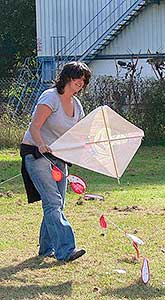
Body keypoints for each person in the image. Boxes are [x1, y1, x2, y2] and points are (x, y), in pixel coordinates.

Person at [20, 61, 92, 262]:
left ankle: (46, 249)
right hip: (37, 153)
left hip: (60, 157)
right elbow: (35, 126)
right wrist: (42, 144)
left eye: (84, 81)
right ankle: (66, 250)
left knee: (56, 205)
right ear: (67, 77)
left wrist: (88, 144)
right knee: (53, 202)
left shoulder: (77, 106)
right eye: (78, 79)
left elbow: (79, 133)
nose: (81, 83)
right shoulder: (50, 97)